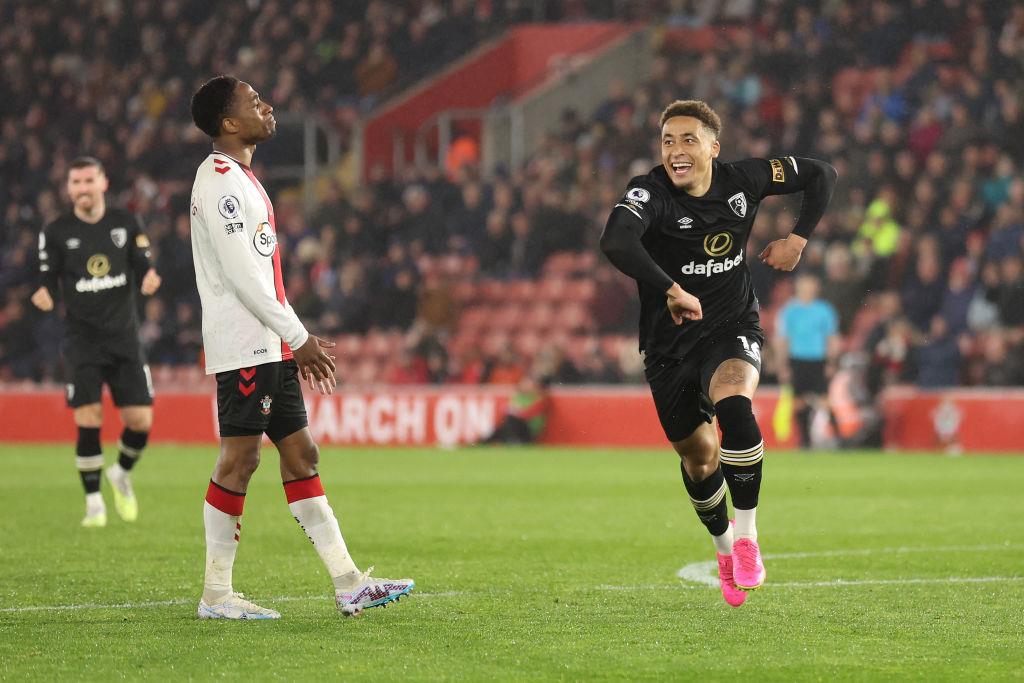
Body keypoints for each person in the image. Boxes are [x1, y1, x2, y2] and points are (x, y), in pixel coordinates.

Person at [188, 75, 413, 620]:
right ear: (229, 123)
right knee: (240, 460)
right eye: (253, 102)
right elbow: (244, 277)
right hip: (247, 345)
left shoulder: (241, 177)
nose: (267, 106)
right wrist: (299, 336)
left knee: (301, 453)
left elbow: (260, 275)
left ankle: (349, 583)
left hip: (269, 344)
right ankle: (216, 594)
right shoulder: (220, 182)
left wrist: (290, 338)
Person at [599, 100, 836, 607]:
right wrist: (670, 288)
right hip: (667, 346)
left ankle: (748, 538)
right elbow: (615, 241)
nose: (676, 151)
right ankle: (725, 549)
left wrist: (797, 239)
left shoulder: (744, 179)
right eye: (668, 141)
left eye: (688, 139)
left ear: (713, 147)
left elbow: (822, 173)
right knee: (700, 457)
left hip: (731, 326)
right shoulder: (650, 192)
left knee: (735, 405)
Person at [31, 156, 162, 528]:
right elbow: (47, 277)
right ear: (68, 188)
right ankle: (94, 505)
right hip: (82, 340)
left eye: (89, 180)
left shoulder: (126, 222)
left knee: (140, 421)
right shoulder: (56, 231)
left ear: (104, 183)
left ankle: (121, 473)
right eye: (76, 182)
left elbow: (144, 265)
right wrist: (44, 293)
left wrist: (149, 278)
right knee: (89, 418)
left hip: (124, 337)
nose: (83, 188)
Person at [775, 274, 841, 448]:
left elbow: (831, 337)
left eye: (810, 286)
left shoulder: (825, 310)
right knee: (798, 402)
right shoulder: (789, 311)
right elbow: (783, 339)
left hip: (818, 359)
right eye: (803, 286)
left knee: (824, 399)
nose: (806, 290)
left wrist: (832, 361)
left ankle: (839, 438)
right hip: (797, 359)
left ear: (816, 289)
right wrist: (783, 365)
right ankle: (805, 440)